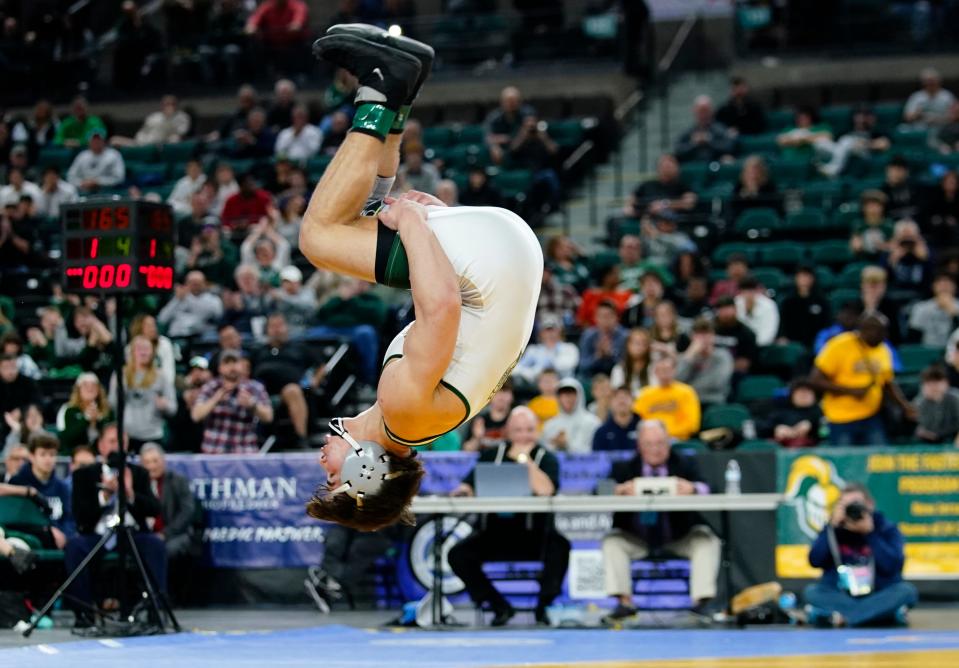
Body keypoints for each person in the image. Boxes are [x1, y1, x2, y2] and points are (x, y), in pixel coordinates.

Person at [298, 27, 542, 531]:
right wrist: (414, 225)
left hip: (505, 258)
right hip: (490, 264)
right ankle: (383, 83)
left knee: (359, 208)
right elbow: (443, 308)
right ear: (366, 472)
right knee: (318, 238)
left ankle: (397, 88)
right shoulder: (405, 413)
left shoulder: (414, 420)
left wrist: (436, 229)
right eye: (330, 479)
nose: (320, 466)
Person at [447, 407, 570, 626]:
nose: (524, 435)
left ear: (537, 431)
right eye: (518, 430)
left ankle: (543, 608)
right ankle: (498, 606)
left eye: (529, 430)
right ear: (508, 432)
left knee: (560, 546)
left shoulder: (546, 458)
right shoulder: (491, 455)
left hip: (535, 536)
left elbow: (546, 490)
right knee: (457, 554)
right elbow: (469, 483)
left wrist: (525, 461)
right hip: (495, 534)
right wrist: (464, 490)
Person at [601, 419, 720, 621]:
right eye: (649, 444)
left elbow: (711, 488)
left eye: (660, 443)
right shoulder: (623, 467)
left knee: (706, 540)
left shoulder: (685, 463)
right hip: (637, 537)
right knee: (612, 542)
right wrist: (618, 491)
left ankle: (702, 603)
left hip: (678, 536)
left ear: (669, 443)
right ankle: (624, 603)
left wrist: (693, 489)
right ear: (639, 445)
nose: (655, 449)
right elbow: (599, 492)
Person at [65, 424, 166, 631]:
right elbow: (80, 514)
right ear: (101, 446)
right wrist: (104, 496)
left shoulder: (138, 474)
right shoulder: (84, 475)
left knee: (155, 545)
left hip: (131, 533)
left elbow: (154, 508)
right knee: (75, 547)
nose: (118, 447)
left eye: (122, 442)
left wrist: (129, 494)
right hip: (98, 534)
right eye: (112, 442)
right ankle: (84, 614)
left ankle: (154, 610)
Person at [804, 483, 917, 627]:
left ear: (870, 505)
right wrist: (830, 527)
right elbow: (815, 560)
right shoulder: (833, 530)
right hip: (841, 595)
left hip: (877, 594)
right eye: (846, 506)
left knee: (906, 591)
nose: (852, 510)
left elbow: (892, 566)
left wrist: (870, 534)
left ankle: (847, 618)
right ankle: (876, 616)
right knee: (812, 591)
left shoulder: (886, 528)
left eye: (855, 504)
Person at [810, 314, 916, 446]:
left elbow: (887, 383)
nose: (883, 336)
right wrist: (851, 391)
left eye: (885, 331)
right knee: (846, 461)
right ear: (862, 330)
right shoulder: (839, 345)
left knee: (877, 460)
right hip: (841, 418)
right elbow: (815, 380)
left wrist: (904, 406)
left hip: (871, 416)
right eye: (878, 331)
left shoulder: (883, 349)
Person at [192, 349, 274, 454]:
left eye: (235, 362)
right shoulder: (210, 388)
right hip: (214, 453)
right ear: (220, 368)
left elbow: (269, 417)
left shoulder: (255, 388)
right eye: (227, 363)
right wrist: (216, 399)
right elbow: (196, 415)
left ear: (242, 365)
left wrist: (252, 404)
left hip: (245, 452)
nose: (232, 367)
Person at [250, 313, 313, 444]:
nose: (277, 329)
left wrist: (313, 381)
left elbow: (320, 367)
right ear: (267, 330)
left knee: (292, 390)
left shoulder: (299, 348)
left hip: (290, 391)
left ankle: (301, 439)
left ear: (286, 328)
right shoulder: (258, 351)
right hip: (261, 392)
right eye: (273, 326)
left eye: (280, 325)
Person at [109, 336, 177, 451]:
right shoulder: (121, 375)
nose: (143, 352)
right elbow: (112, 404)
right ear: (132, 352)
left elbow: (173, 408)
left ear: (153, 352)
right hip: (126, 436)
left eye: (147, 348)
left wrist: (164, 405)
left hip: (153, 435)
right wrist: (121, 390)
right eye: (140, 348)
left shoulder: (161, 376)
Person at [9, 433, 72, 548]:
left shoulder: (62, 487)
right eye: (43, 454)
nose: (48, 459)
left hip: (61, 542)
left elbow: (69, 518)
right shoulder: (18, 483)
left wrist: (65, 535)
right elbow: (16, 519)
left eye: (52, 455)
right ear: (32, 456)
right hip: (31, 540)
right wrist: (48, 530)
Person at [139, 443, 197, 561]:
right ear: (141, 464)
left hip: (174, 534)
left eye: (155, 461)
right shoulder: (138, 485)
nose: (152, 467)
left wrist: (164, 534)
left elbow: (187, 511)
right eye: (147, 462)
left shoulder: (178, 481)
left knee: (164, 550)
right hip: (145, 535)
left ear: (163, 461)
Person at [633, 355, 701, 441]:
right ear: (655, 372)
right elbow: (637, 420)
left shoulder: (686, 392)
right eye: (661, 370)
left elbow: (692, 425)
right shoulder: (645, 394)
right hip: (650, 439)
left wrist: (666, 434)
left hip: (678, 439)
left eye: (667, 369)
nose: (664, 373)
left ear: (674, 370)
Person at [676, 317, 733, 409]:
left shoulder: (723, 356)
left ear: (713, 335)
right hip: (688, 402)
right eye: (699, 334)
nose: (703, 339)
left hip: (713, 401)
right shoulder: (686, 356)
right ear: (692, 337)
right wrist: (689, 356)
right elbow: (677, 381)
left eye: (706, 334)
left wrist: (690, 388)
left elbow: (717, 383)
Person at [57, 373, 115, 455]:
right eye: (85, 385)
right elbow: (68, 438)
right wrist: (86, 419)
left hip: (102, 455)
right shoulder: (70, 410)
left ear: (99, 389)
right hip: (77, 454)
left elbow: (112, 435)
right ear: (78, 389)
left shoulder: (108, 411)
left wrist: (98, 420)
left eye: (93, 385)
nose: (90, 388)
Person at [513, 315, 579, 384]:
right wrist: (531, 373)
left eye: (553, 330)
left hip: (562, 387)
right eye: (547, 330)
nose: (550, 333)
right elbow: (516, 369)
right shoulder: (534, 350)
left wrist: (539, 369)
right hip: (536, 386)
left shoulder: (570, 348)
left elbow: (566, 366)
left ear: (560, 331)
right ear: (541, 333)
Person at [157, 271, 225, 338]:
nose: (195, 286)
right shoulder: (177, 298)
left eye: (198, 283)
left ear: (204, 283)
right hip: (177, 335)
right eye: (193, 283)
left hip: (201, 336)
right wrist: (177, 300)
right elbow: (162, 319)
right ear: (186, 283)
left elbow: (220, 317)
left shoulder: (213, 300)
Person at [777, 265, 831, 349]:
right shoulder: (787, 302)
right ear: (796, 278)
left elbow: (827, 323)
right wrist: (782, 337)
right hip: (793, 344)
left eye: (807, 277)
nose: (804, 280)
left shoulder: (822, 301)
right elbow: (782, 324)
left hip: (817, 343)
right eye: (801, 277)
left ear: (812, 279)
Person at [541, 378, 600, 453]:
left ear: (579, 395)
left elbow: (593, 453)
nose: (567, 398)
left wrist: (567, 444)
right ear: (558, 398)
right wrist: (555, 445)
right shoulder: (549, 425)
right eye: (563, 394)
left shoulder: (592, 422)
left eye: (571, 393)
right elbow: (545, 453)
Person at [761, 378, 823, 448]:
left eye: (808, 392)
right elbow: (762, 428)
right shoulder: (781, 411)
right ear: (792, 395)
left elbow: (825, 433)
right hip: (782, 449)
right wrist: (776, 429)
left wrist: (812, 426)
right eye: (800, 392)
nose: (804, 395)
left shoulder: (821, 412)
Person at [674, 96, 735, 163]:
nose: (703, 114)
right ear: (694, 111)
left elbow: (729, 146)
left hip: (715, 166)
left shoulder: (720, 130)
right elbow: (678, 149)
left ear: (711, 111)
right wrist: (694, 144)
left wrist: (709, 141)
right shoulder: (688, 132)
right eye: (700, 111)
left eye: (705, 111)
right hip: (695, 165)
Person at [578, 301, 629, 376]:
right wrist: (597, 355)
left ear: (616, 317)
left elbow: (628, 365)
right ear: (595, 318)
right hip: (592, 376)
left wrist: (611, 354)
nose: (605, 320)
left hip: (617, 376)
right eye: (601, 316)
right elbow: (582, 366)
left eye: (608, 316)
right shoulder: (588, 335)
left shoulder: (625, 336)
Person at [461, 381, 514, 452]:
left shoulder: (516, 420)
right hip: (482, 462)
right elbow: (466, 451)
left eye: (505, 391)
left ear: (512, 396)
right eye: (497, 391)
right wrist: (477, 438)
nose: (501, 396)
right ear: (489, 396)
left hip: (507, 462)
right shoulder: (479, 420)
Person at [713, 296, 760, 376]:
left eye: (728, 309)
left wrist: (722, 369)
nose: (725, 313)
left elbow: (744, 363)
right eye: (721, 309)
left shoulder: (747, 333)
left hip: (735, 374)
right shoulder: (710, 330)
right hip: (711, 371)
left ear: (735, 310)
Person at [908, 274, 959, 347]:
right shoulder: (921, 308)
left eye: (948, 283)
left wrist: (954, 314)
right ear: (933, 286)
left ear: (955, 286)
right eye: (940, 283)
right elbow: (913, 338)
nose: (944, 287)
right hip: (926, 351)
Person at [0, 353, 41, 442]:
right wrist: (7, 417)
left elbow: (37, 403)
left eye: (13, 367)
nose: (11, 371)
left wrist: (21, 411)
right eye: (6, 368)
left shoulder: (28, 382)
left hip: (24, 421)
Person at [913, 365, 959, 444]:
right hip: (927, 442)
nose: (933, 387)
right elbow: (919, 425)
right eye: (929, 383)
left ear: (946, 383)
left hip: (952, 438)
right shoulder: (921, 401)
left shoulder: (955, 397)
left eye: (937, 382)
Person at [736, 275, 780, 347]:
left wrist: (754, 346)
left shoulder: (769, 305)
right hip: (740, 346)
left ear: (757, 290)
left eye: (750, 291)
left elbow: (769, 332)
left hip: (762, 347)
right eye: (744, 291)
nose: (748, 294)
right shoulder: (736, 302)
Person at [610, 327, 655, 397]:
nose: (639, 347)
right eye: (636, 343)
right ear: (628, 345)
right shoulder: (619, 369)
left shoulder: (654, 368)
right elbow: (617, 393)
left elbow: (656, 391)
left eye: (643, 343)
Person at [592, 387, 640, 451]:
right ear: (610, 402)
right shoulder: (602, 432)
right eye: (617, 397)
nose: (622, 400)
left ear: (633, 401)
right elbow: (597, 458)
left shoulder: (643, 428)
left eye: (626, 397)